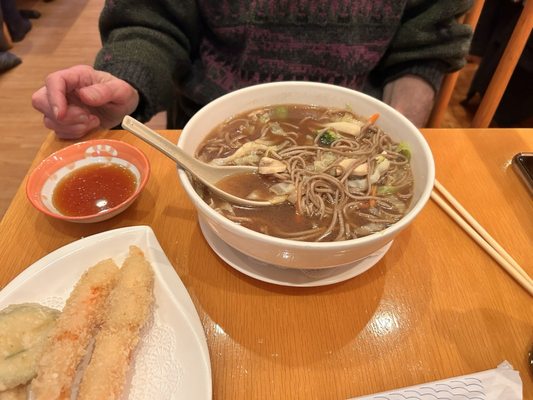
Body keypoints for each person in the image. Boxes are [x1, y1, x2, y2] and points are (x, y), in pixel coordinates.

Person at [32, 1, 473, 139]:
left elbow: (423, 45)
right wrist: (125, 80)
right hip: (210, 126)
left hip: (359, 128)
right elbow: (154, 18)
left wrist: (390, 139)